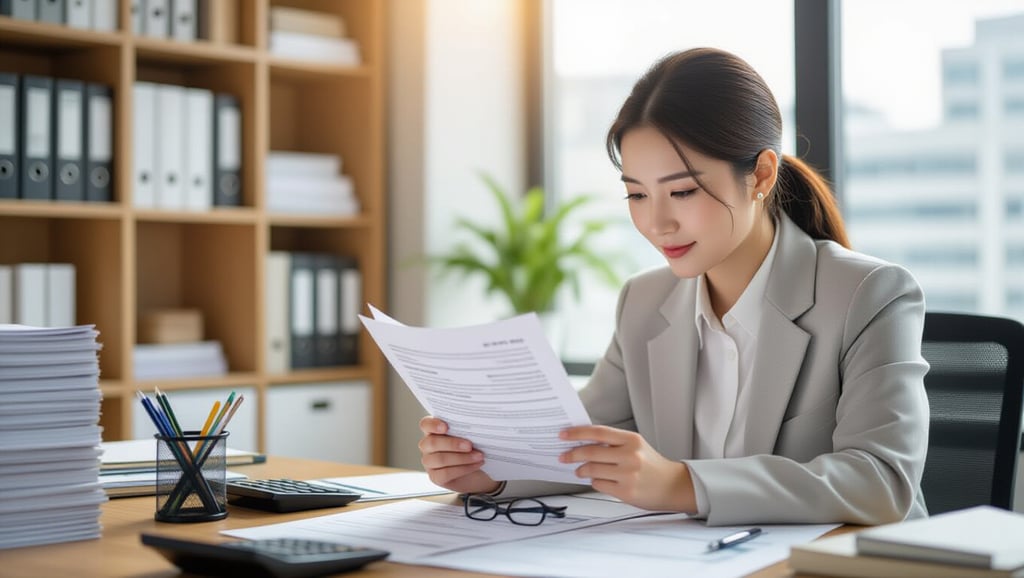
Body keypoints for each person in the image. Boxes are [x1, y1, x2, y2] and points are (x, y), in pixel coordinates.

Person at [418, 47, 930, 526]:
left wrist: (682, 484)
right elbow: (581, 445)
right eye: (637, 195)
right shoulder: (644, 302)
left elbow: (881, 480)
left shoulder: (868, 293)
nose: (657, 223)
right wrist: (491, 470)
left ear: (761, 176)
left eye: (682, 191)